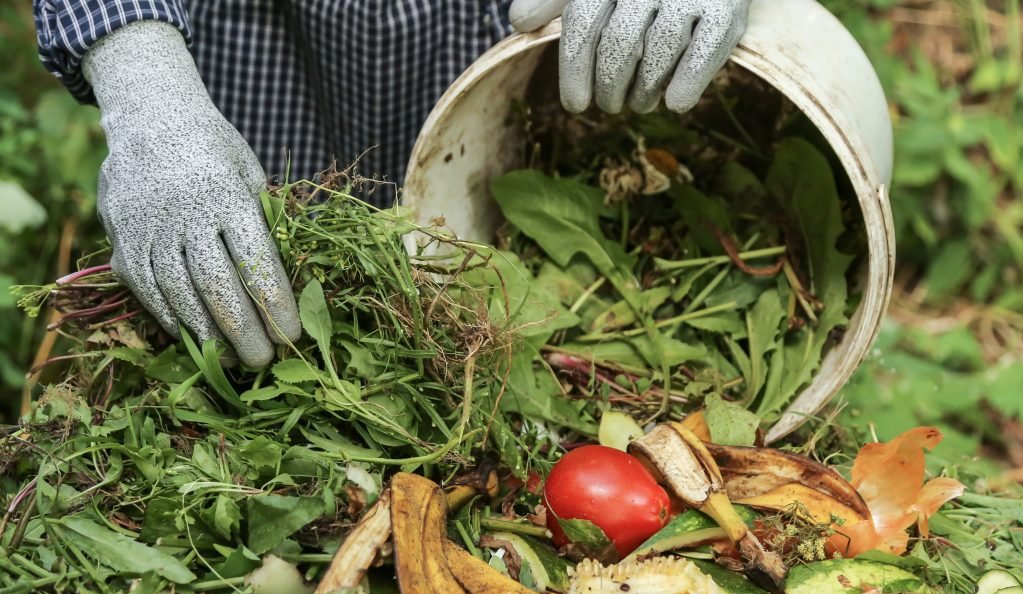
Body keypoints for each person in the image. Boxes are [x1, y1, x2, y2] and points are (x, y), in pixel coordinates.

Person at [34, 0, 750, 367]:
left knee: (537, 305)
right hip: (260, 59)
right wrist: (140, 75)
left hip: (530, 49)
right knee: (258, 308)